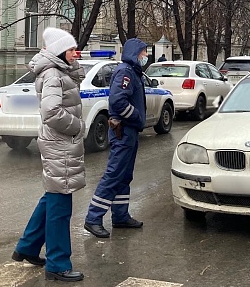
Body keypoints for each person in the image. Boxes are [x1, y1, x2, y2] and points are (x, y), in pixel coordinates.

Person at [12, 27, 85, 282]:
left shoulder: (58, 71)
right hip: (60, 144)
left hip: (58, 143)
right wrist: (77, 126)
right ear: (58, 52)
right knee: (60, 205)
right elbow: (52, 112)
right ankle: (57, 263)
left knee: (52, 197)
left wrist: (72, 64)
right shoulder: (53, 74)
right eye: (71, 49)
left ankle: (27, 247)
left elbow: (74, 82)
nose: (76, 53)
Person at [84, 38, 148, 238]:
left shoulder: (132, 72)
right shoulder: (126, 72)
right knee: (113, 175)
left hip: (130, 131)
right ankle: (93, 218)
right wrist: (136, 117)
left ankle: (120, 216)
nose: (145, 56)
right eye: (143, 53)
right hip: (124, 131)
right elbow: (118, 102)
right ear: (134, 53)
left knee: (124, 175)